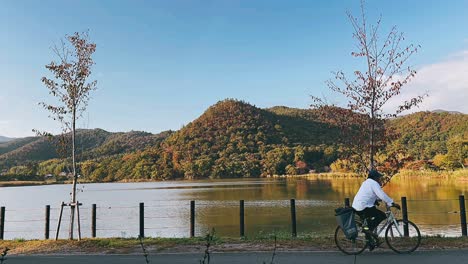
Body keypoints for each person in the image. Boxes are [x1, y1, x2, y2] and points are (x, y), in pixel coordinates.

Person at [352, 169, 400, 249]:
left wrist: (376, 200)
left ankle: (370, 243)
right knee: (381, 215)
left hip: (358, 206)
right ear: (375, 177)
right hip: (363, 207)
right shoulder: (374, 183)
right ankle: (368, 230)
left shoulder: (366, 182)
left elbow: (369, 194)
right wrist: (392, 203)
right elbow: (382, 195)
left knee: (367, 224)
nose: (379, 178)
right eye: (378, 177)